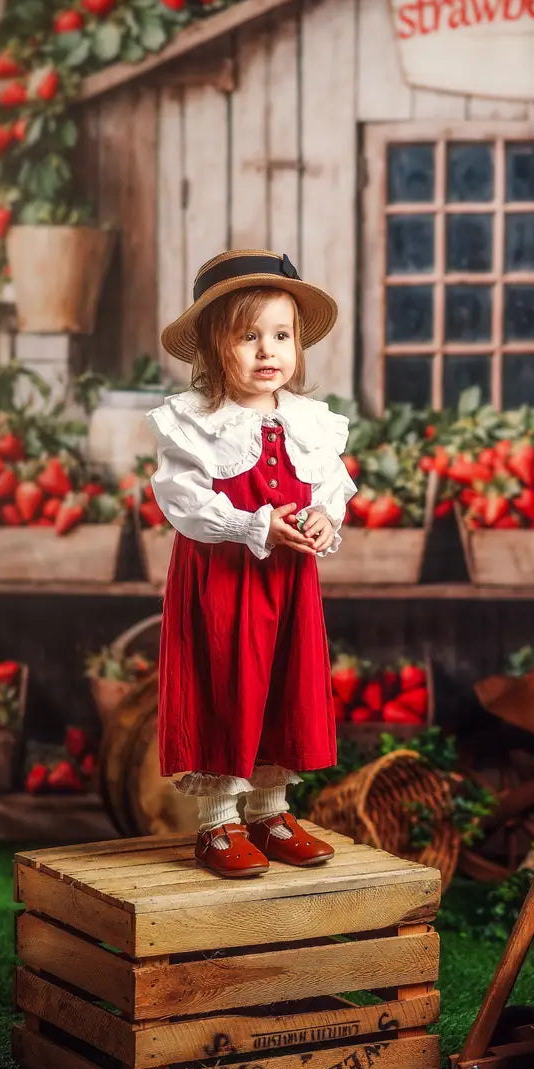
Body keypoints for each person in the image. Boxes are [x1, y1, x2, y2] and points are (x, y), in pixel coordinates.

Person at [145, 249, 357, 879]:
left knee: (282, 686)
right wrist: (254, 523)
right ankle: (218, 823)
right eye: (248, 336)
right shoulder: (195, 423)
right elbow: (182, 500)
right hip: (223, 583)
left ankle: (269, 810)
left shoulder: (308, 421)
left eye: (282, 336)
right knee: (226, 685)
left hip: (287, 584)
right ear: (213, 349)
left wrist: (324, 516)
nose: (269, 351)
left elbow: (334, 485)